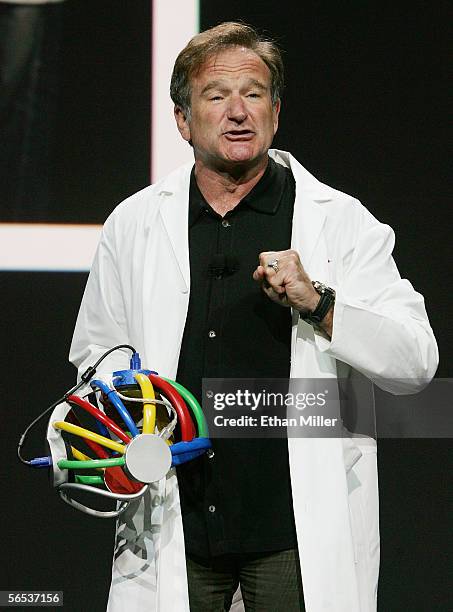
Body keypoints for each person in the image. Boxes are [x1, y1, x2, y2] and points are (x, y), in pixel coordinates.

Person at [69, 22, 438, 612]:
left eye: (255, 93)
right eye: (217, 95)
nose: (238, 111)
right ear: (184, 120)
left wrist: (319, 303)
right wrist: (120, 417)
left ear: (276, 111)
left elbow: (416, 363)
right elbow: (99, 355)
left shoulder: (339, 221)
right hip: (175, 518)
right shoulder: (135, 223)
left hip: (291, 529)